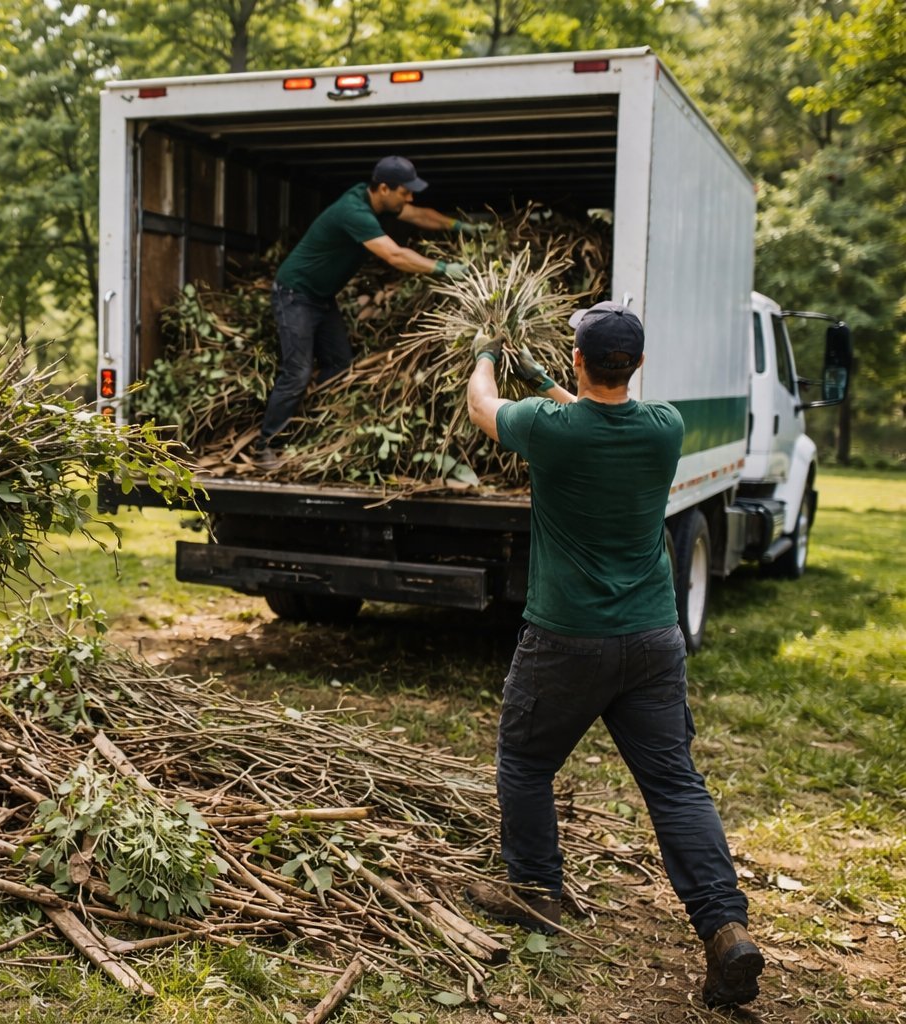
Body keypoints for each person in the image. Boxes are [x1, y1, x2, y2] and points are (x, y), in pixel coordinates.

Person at [461, 302, 764, 1009]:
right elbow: (600, 417)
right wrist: (549, 381)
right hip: (655, 639)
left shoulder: (548, 431)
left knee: (527, 761)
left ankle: (535, 893)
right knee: (674, 784)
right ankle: (724, 926)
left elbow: (483, 408)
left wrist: (484, 354)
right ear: (639, 364)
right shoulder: (665, 428)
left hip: (565, 638)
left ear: (578, 361)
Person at [255, 154, 483, 468]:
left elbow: (420, 215)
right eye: (405, 191)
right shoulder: (354, 211)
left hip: (321, 298)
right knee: (297, 373)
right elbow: (396, 256)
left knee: (340, 364)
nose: (410, 197)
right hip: (295, 295)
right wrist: (445, 268)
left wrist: (461, 226)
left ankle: (306, 422)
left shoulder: (378, 201)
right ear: (385, 189)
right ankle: (267, 445)